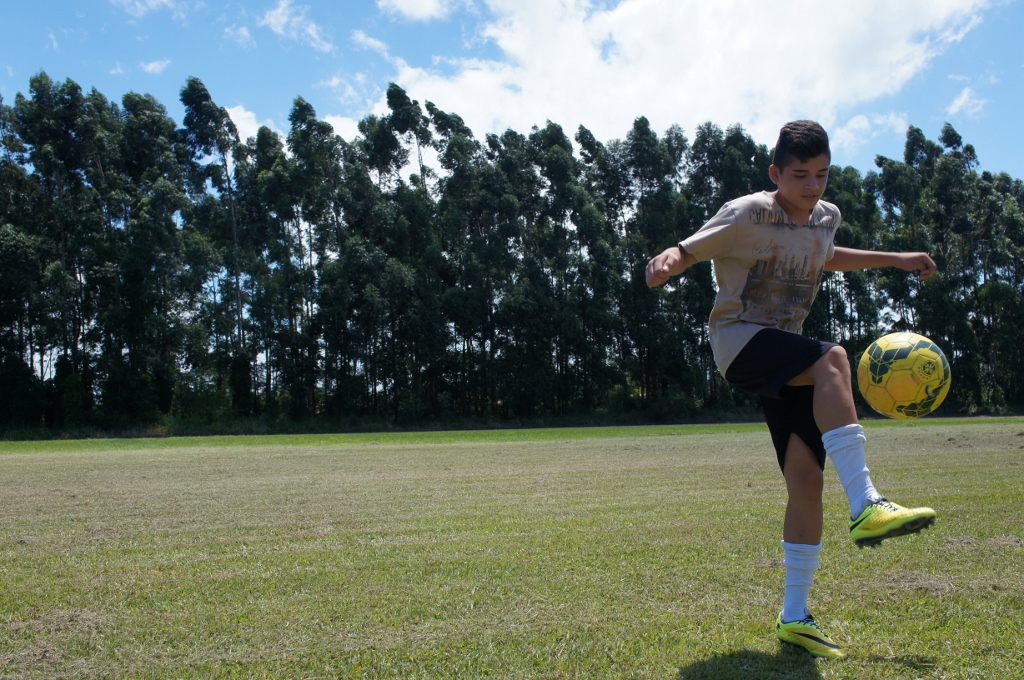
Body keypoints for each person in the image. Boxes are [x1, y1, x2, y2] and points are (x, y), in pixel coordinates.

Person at [645, 120, 937, 660]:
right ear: (776, 173)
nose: (812, 186)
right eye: (800, 175)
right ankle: (867, 503)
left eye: (822, 175)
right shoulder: (747, 213)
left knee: (805, 480)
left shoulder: (826, 218)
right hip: (741, 344)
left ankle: (795, 617)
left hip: (786, 355)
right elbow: (689, 249)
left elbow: (828, 254)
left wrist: (895, 260)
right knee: (834, 359)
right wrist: (670, 259)